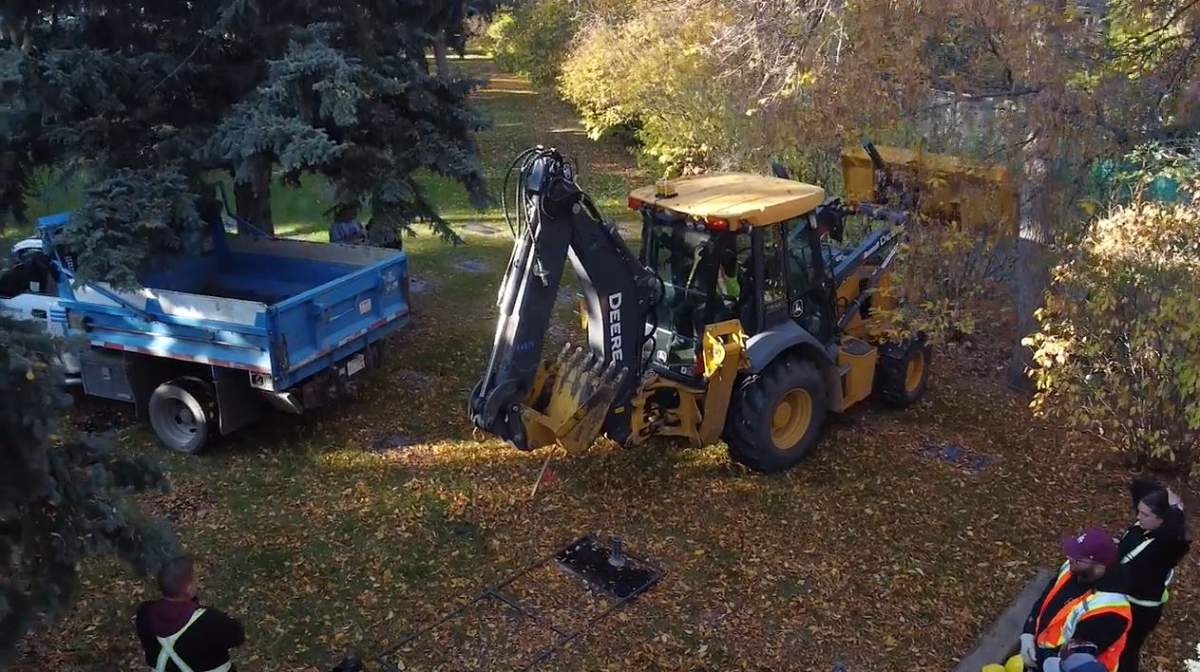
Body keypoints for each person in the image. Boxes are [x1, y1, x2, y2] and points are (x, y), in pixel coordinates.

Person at [1020, 528, 1132, 671]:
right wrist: (1028, 632)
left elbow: (1076, 658)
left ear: (1099, 566)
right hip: (1042, 653)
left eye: (1078, 559)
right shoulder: (1073, 568)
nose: (1070, 559)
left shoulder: (1110, 611)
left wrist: (1040, 659)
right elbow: (1046, 599)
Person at [1116, 479, 1191, 672]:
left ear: (1163, 519)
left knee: (1127, 650)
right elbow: (1138, 485)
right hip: (1122, 597)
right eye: (1138, 511)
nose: (1138, 517)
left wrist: (1177, 508)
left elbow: (1177, 531)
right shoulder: (1144, 527)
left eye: (1145, 514)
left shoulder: (1165, 547)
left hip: (1139, 610)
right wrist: (1165, 493)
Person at [135, 555, 245, 672]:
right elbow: (237, 637)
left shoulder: (144, 612)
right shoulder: (209, 620)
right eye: (195, 579)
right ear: (189, 589)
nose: (198, 582)